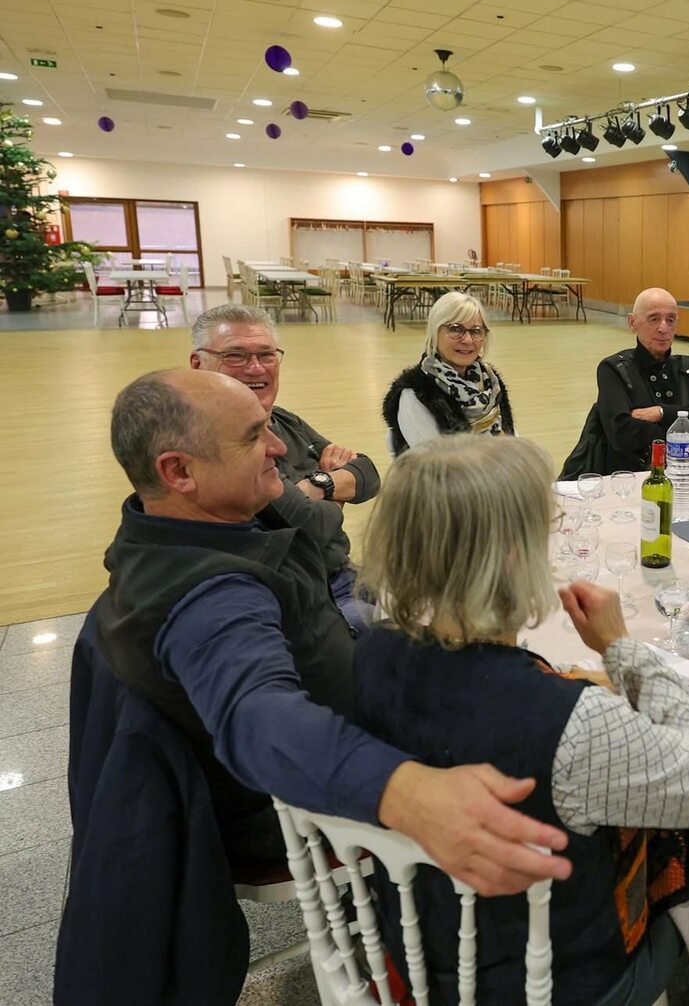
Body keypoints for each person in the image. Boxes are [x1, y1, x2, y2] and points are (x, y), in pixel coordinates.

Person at [100, 368, 570, 896]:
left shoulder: (194, 524)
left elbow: (355, 487)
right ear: (178, 471)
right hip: (294, 810)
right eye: (253, 437)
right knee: (548, 740)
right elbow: (259, 715)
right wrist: (406, 791)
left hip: (348, 722)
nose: (279, 448)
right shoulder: (209, 596)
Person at [352, 434, 689, 1006]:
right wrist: (621, 648)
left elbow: (479, 700)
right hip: (552, 981)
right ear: (513, 556)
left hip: (417, 941)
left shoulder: (372, 652)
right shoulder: (570, 722)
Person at [189, 303, 379, 627]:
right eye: (235, 356)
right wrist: (336, 491)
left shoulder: (283, 420)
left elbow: (369, 475)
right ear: (198, 364)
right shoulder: (212, 444)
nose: (256, 368)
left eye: (266, 355)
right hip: (295, 598)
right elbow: (312, 525)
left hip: (340, 572)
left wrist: (318, 485)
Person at [564, 287, 689, 476]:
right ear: (632, 322)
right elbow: (622, 434)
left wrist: (660, 413)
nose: (663, 328)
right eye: (654, 319)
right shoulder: (614, 369)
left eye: (670, 320)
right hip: (635, 476)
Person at [382, 291, 514, 453]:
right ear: (435, 332)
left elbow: (511, 439)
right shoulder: (417, 393)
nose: (468, 340)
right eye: (455, 329)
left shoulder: (490, 381)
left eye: (476, 331)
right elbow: (436, 461)